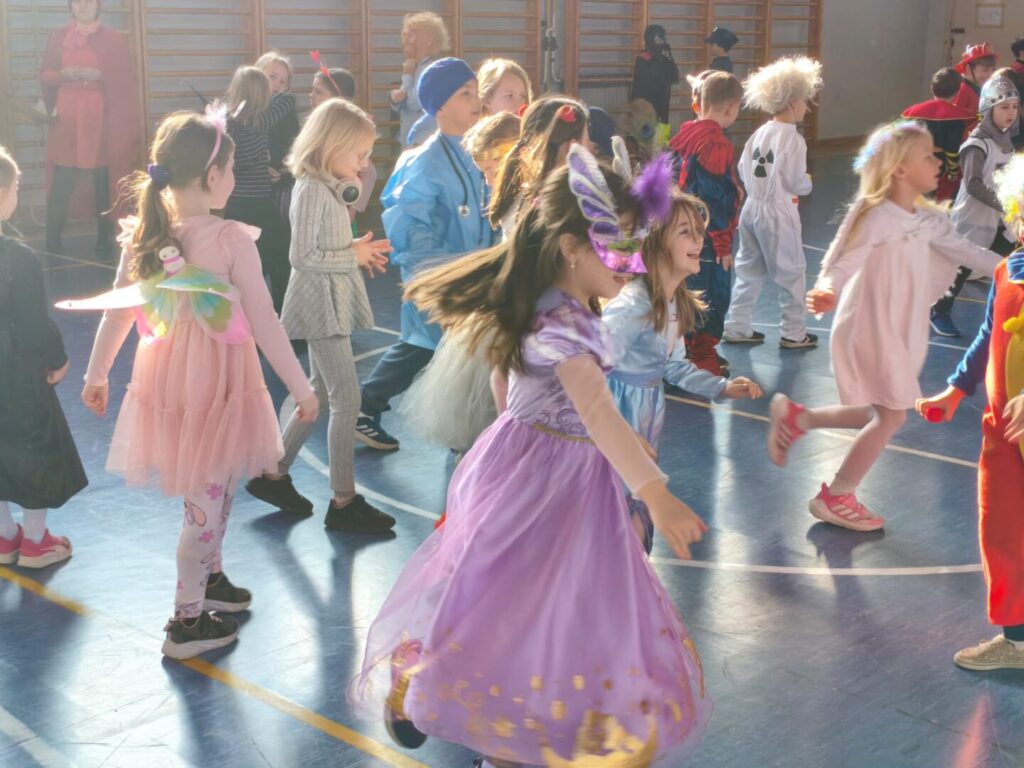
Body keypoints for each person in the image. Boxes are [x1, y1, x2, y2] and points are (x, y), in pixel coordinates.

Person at [353, 146, 710, 768]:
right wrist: (653, 491)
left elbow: (513, 385)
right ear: (571, 246)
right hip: (545, 490)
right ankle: (471, 714)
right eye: (617, 245)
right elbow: (596, 410)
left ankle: (489, 710)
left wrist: (533, 437)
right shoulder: (567, 325)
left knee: (534, 607)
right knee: (523, 607)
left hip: (542, 474)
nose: (631, 261)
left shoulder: (548, 304)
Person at [74, 109, 317, 658]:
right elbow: (265, 321)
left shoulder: (147, 233)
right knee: (205, 502)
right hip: (215, 387)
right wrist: (301, 389)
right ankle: (185, 623)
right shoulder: (230, 238)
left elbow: (117, 312)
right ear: (213, 176)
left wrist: (96, 374)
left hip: (171, 384)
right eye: (230, 169)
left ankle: (211, 578)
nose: (233, 179)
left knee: (216, 484)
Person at [767, 121, 998, 532]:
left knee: (877, 410)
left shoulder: (929, 222)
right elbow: (841, 262)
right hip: (870, 327)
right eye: (928, 155)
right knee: (891, 417)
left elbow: (968, 252)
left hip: (901, 329)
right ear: (900, 170)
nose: (938, 162)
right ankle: (837, 495)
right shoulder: (875, 216)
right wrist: (827, 290)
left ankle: (798, 419)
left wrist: (1011, 268)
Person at [245, 99, 396, 533]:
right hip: (318, 302)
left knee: (320, 392)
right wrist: (352, 256)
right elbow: (303, 256)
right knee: (347, 400)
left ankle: (274, 473)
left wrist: (354, 249)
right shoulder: (310, 189)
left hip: (332, 296)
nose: (363, 163)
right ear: (331, 145)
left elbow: (326, 245)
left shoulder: (328, 186)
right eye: (359, 154)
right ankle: (344, 500)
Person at [606, 187, 762, 553]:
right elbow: (590, 374)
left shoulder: (672, 302)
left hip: (645, 418)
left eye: (699, 232)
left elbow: (673, 365)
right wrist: (622, 435)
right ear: (657, 241)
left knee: (634, 521)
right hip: (618, 421)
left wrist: (721, 386)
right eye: (685, 232)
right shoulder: (632, 308)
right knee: (617, 524)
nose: (699, 240)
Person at [915, 152, 1024, 672]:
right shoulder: (1007, 269)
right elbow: (986, 336)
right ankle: (1018, 640)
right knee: (1002, 531)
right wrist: (955, 389)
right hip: (1003, 433)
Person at [356, 58, 493, 451]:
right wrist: (436, 279)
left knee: (457, 354)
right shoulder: (424, 162)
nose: (476, 101)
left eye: (476, 92)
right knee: (421, 347)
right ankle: (365, 407)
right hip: (440, 282)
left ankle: (468, 433)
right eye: (465, 94)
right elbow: (408, 224)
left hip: (477, 279)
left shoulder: (480, 155)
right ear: (439, 106)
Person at [0, 145, 86, 569]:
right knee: (35, 447)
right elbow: (34, 320)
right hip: (17, 373)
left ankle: (4, 536)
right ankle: (35, 541)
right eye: (16, 187)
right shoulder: (18, 257)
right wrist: (58, 358)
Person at [723, 56, 823, 350]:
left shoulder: (760, 132)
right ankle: (794, 333)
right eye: (804, 100)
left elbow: (743, 168)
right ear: (792, 102)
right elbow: (795, 181)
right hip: (779, 211)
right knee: (791, 273)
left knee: (748, 270)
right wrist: (807, 181)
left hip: (751, 209)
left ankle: (737, 326)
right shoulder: (793, 139)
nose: (806, 106)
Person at [40, 0, 141, 259]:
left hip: (100, 121)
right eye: (77, 1)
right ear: (70, 6)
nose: (83, 5)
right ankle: (52, 240)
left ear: (98, 6)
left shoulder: (113, 39)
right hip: (68, 121)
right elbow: (45, 74)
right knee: (62, 181)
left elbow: (125, 78)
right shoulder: (57, 37)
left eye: (89, 1)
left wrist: (101, 76)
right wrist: (63, 75)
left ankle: (104, 240)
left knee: (103, 182)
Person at [934, 72, 1021, 338]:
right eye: (1004, 107)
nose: (1011, 113)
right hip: (973, 218)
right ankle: (939, 310)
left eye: (1015, 107)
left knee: (1006, 266)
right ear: (988, 109)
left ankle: (1002, 314)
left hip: (999, 220)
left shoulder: (1006, 142)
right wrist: (1005, 202)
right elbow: (973, 184)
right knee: (959, 270)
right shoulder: (977, 144)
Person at [669, 70, 744, 375]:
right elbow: (714, 201)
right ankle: (700, 356)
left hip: (679, 231)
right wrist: (723, 245)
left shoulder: (686, 134)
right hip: (707, 239)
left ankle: (688, 350)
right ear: (732, 108)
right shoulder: (716, 144)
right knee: (711, 294)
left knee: (686, 288)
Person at [223, 66, 295, 314]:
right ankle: (277, 318)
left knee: (251, 267)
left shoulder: (229, 122)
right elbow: (239, 162)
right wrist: (259, 159)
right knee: (276, 263)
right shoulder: (252, 124)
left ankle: (254, 318)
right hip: (255, 206)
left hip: (238, 205)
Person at [901, 68, 976, 203]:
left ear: (932, 88)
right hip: (939, 167)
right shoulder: (957, 119)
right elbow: (952, 150)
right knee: (932, 202)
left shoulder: (913, 112)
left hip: (914, 164)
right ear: (957, 92)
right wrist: (953, 173)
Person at [391, 12, 450, 148]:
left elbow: (414, 103)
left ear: (428, 40)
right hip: (411, 141)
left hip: (423, 143)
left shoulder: (432, 69)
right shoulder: (414, 66)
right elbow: (403, 102)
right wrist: (394, 98)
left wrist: (407, 76)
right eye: (404, 34)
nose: (405, 40)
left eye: (411, 35)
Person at [630, 23, 679, 139]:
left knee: (659, 141)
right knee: (648, 141)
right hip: (649, 108)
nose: (663, 41)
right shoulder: (645, 57)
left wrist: (668, 58)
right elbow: (646, 84)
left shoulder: (664, 56)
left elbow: (675, 77)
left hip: (659, 107)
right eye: (660, 38)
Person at [953, 42, 997, 116]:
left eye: (992, 70)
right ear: (969, 69)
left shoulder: (977, 88)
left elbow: (979, 114)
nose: (990, 75)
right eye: (985, 70)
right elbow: (957, 117)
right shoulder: (963, 90)